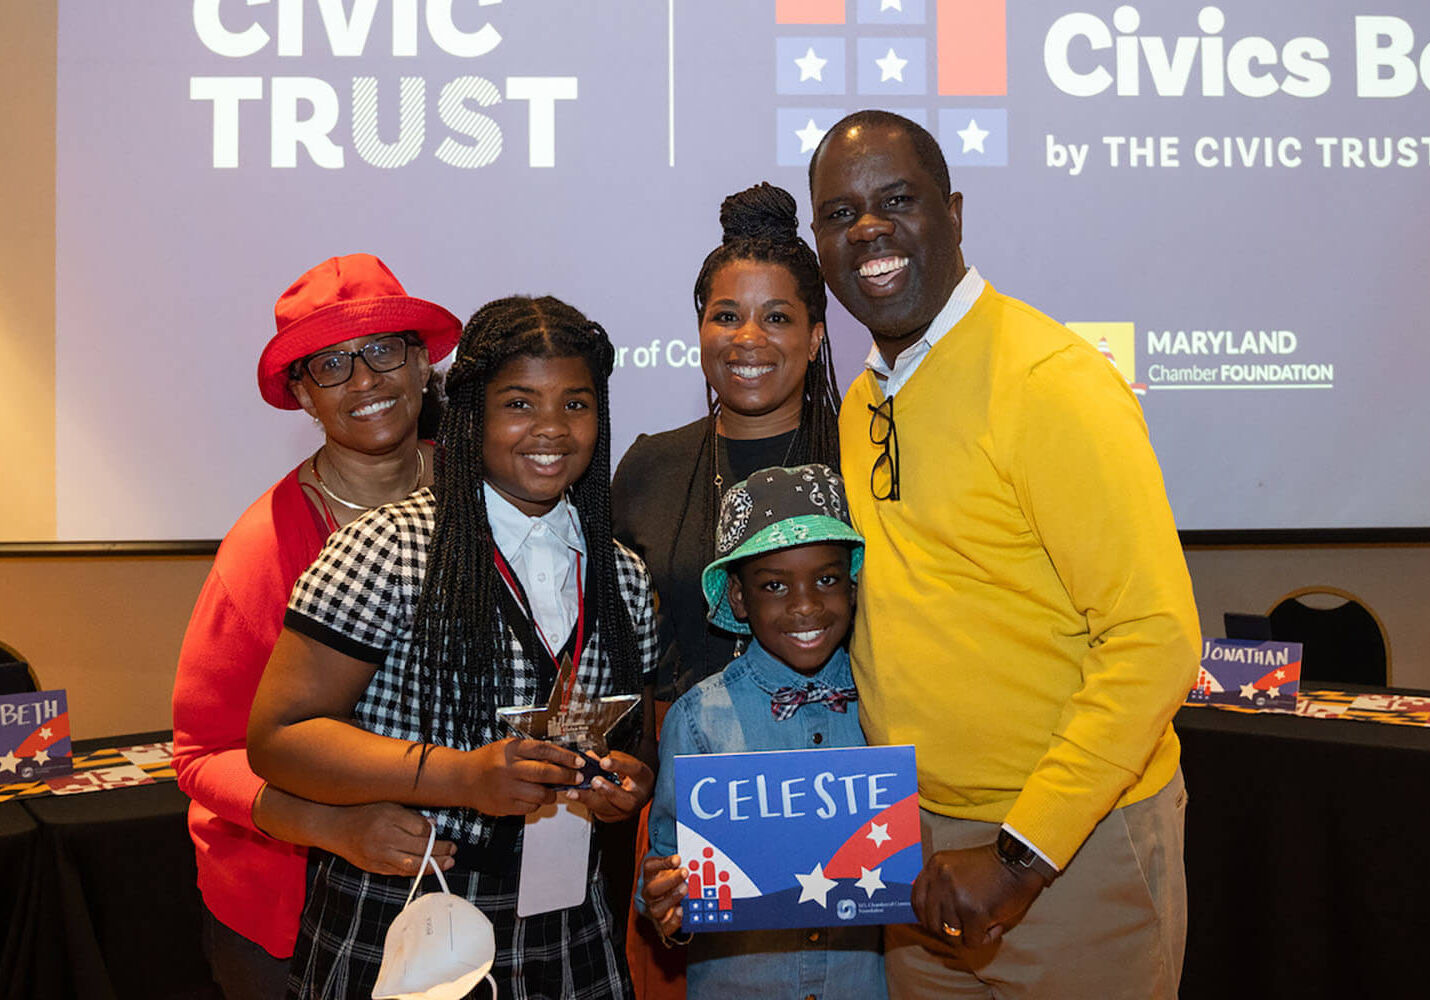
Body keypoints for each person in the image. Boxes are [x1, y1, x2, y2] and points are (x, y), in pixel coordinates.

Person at [807, 109, 1201, 999]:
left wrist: (1022, 858)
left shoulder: (1047, 380)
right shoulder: (864, 398)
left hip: (1071, 851)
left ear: (952, 212)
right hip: (919, 855)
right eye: (839, 214)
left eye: (896, 201)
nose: (868, 228)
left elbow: (1155, 638)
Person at [247, 295, 657, 999]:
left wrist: (625, 784)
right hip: (408, 915)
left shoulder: (622, 574)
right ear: (472, 416)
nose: (552, 429)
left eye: (577, 404)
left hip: (568, 925)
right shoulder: (386, 546)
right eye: (520, 404)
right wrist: (462, 777)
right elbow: (277, 740)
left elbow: (628, 742)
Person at [171, 253, 462, 1000]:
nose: (363, 380)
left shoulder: (485, 498)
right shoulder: (263, 549)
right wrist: (331, 827)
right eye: (329, 365)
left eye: (382, 350)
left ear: (423, 362)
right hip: (291, 912)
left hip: (453, 894)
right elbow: (203, 754)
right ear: (302, 394)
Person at [610, 181, 841, 994]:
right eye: (726, 315)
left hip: (848, 780)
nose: (750, 337)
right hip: (691, 794)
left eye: (778, 317)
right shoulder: (648, 467)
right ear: (700, 327)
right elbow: (615, 646)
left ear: (816, 336)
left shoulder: (871, 464)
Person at [639, 464, 885, 1000]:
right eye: (774, 585)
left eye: (826, 578)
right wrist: (666, 903)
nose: (805, 605)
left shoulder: (885, 703)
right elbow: (665, 875)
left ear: (853, 582)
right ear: (740, 598)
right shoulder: (699, 719)